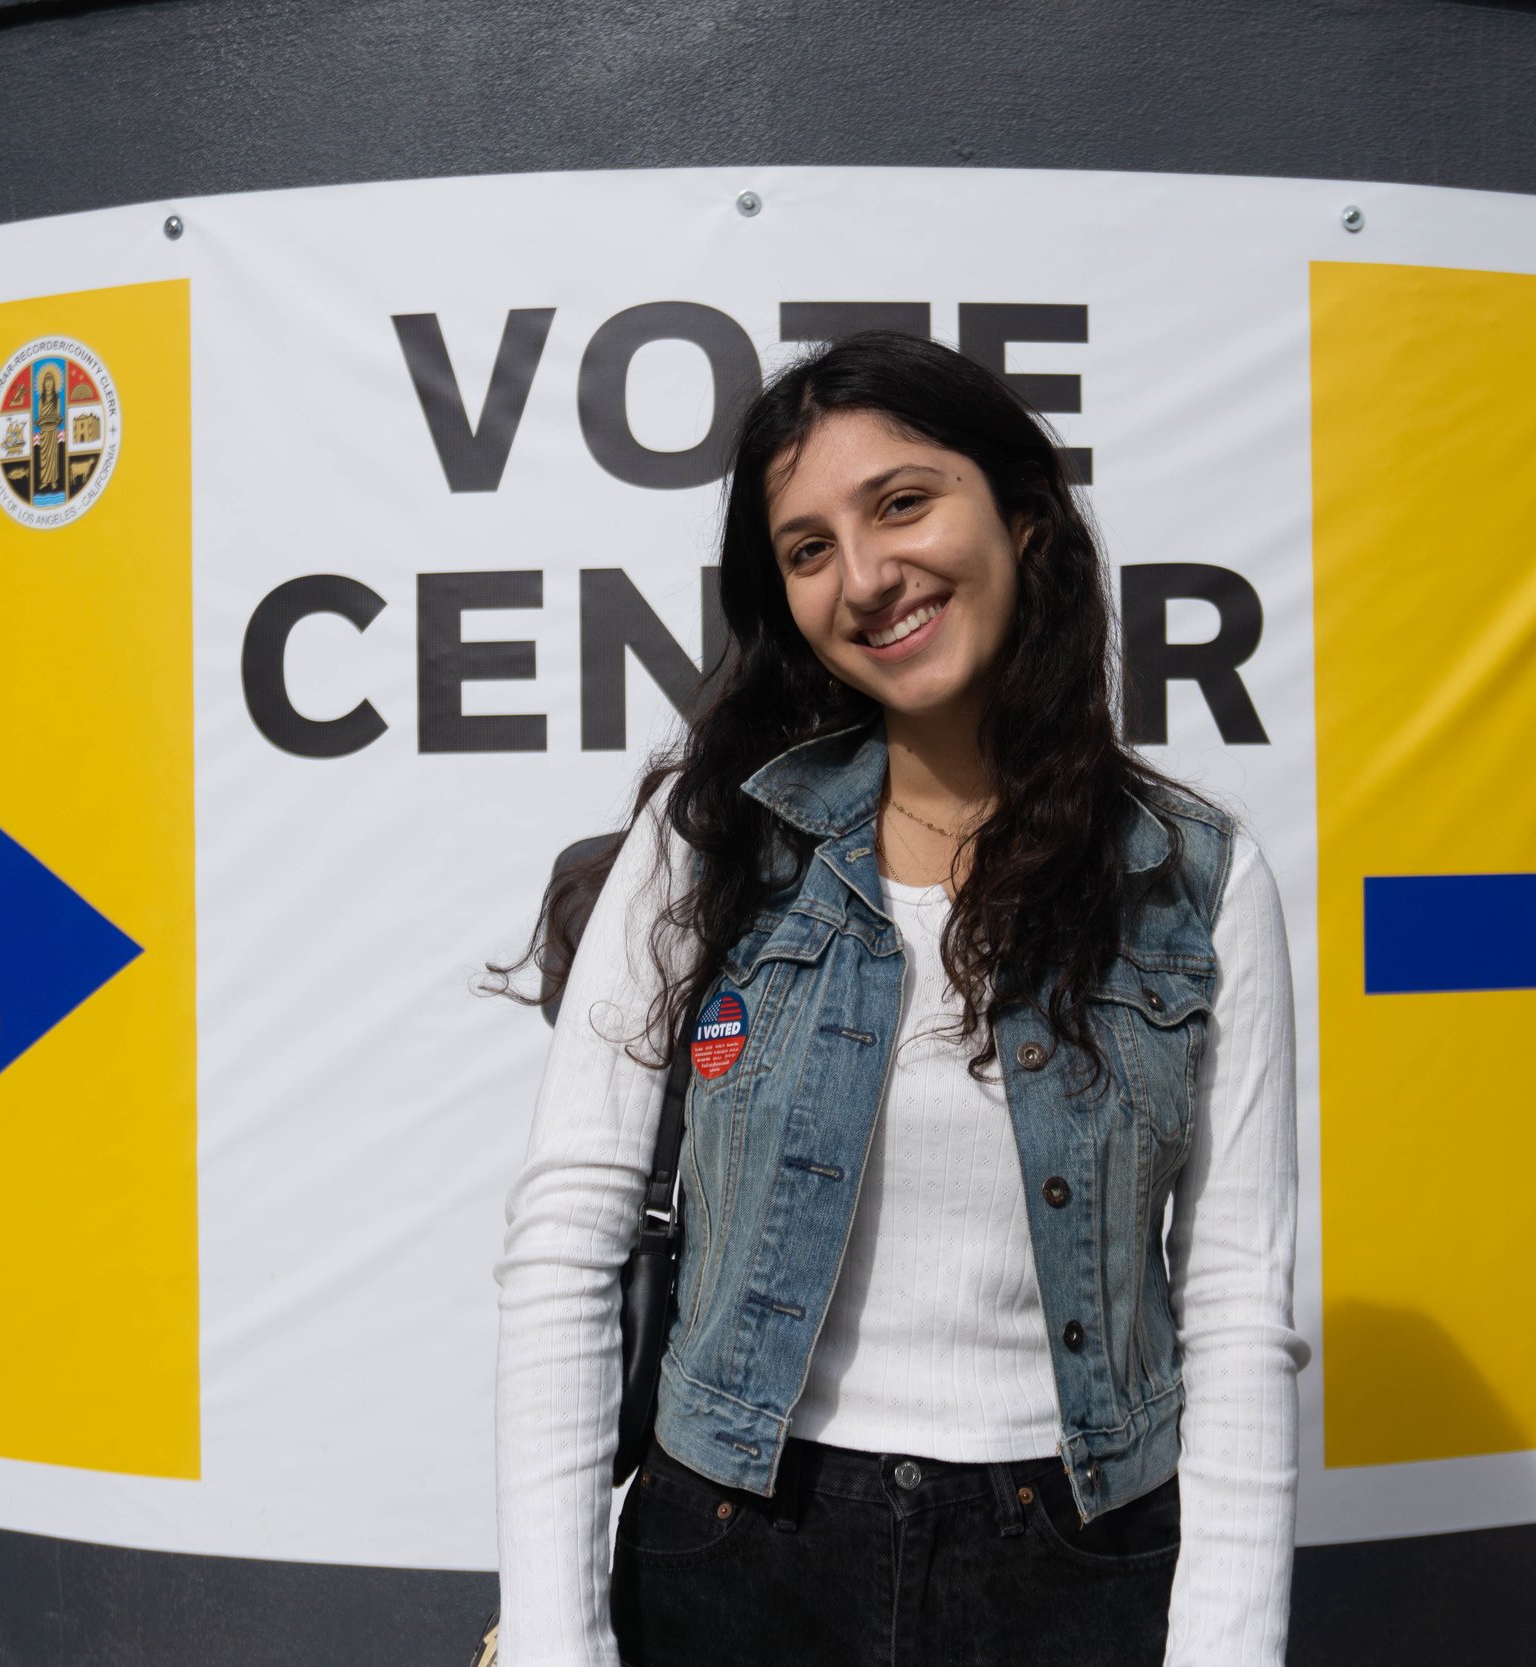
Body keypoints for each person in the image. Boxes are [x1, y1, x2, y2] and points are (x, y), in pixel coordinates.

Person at [492, 331, 1306, 1666]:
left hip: (1082, 1565)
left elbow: (1229, 1303)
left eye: (903, 502)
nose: (866, 577)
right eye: (808, 550)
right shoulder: (707, 846)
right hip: (736, 1557)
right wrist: (553, 1646)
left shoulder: (1194, 879)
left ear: (1024, 517)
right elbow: (565, 1247)